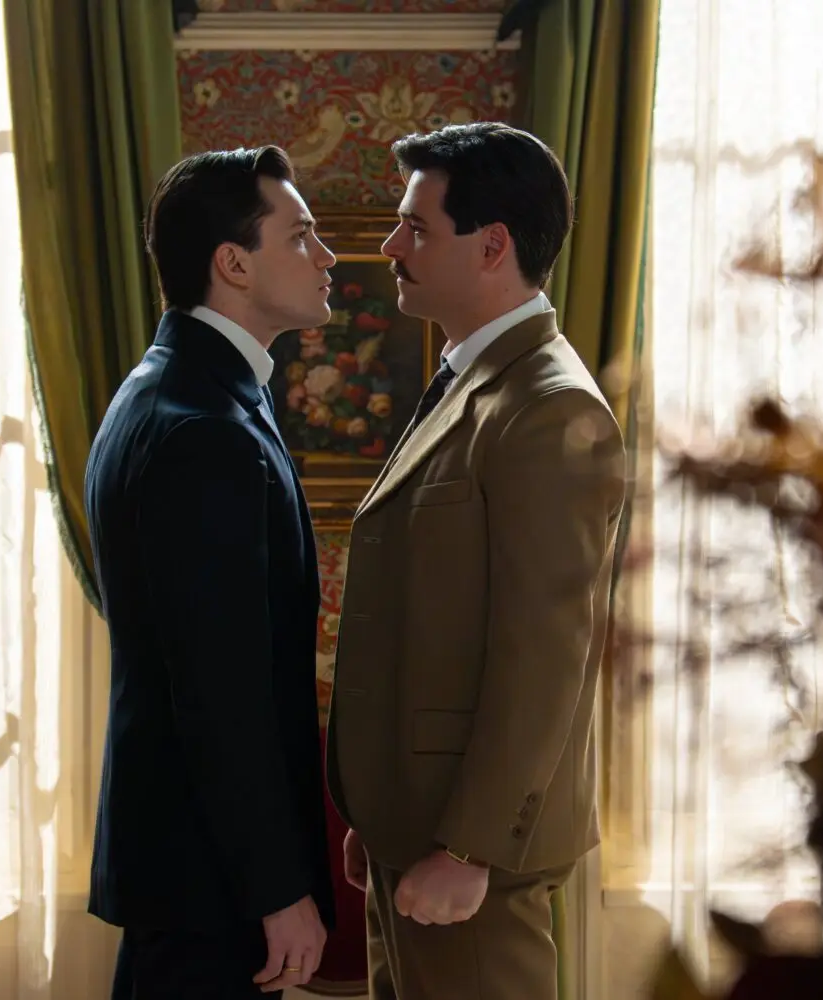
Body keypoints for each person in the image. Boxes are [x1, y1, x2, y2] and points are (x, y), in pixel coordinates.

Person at [325, 122, 627, 999]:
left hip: (469, 854)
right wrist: (385, 812)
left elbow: (546, 654)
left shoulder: (549, 408)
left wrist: (469, 847)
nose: (391, 246)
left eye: (415, 228)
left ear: (493, 245)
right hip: (417, 829)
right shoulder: (475, 380)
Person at [85, 145, 339, 998]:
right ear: (233, 263)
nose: (327, 256)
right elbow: (219, 690)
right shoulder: (203, 426)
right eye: (300, 236)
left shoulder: (182, 388)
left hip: (188, 865)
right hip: (208, 877)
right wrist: (275, 888)